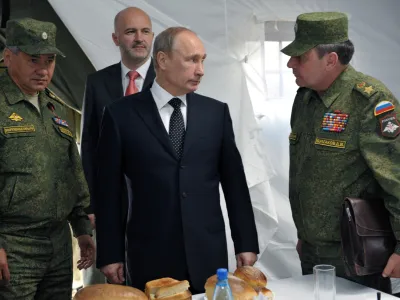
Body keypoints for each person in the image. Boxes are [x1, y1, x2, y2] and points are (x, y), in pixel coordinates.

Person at [94, 27, 259, 293]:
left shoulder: (215, 113)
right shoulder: (120, 115)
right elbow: (108, 191)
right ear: (162, 59)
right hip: (149, 254)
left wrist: (246, 243)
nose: (201, 69)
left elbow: (235, 184)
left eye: (202, 60)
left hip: (207, 254)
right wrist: (110, 253)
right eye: (192, 59)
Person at [281, 11, 400, 293]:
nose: (290, 63)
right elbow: (305, 171)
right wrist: (305, 234)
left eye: (301, 57)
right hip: (312, 250)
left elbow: (396, 178)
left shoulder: (369, 101)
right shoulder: (306, 99)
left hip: (356, 251)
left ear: (331, 59)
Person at [0, 18, 94, 299]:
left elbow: (71, 171)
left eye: (50, 60)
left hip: (58, 245)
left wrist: (82, 229)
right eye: (33, 60)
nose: (43, 70)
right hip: (13, 244)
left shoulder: (52, 105)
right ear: (8, 57)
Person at [80, 7, 156, 286]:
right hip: (108, 207)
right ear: (115, 39)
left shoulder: (168, 81)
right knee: (105, 284)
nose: (139, 38)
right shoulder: (97, 82)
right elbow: (88, 146)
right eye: (130, 32)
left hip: (155, 206)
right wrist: (90, 203)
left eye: (145, 31)